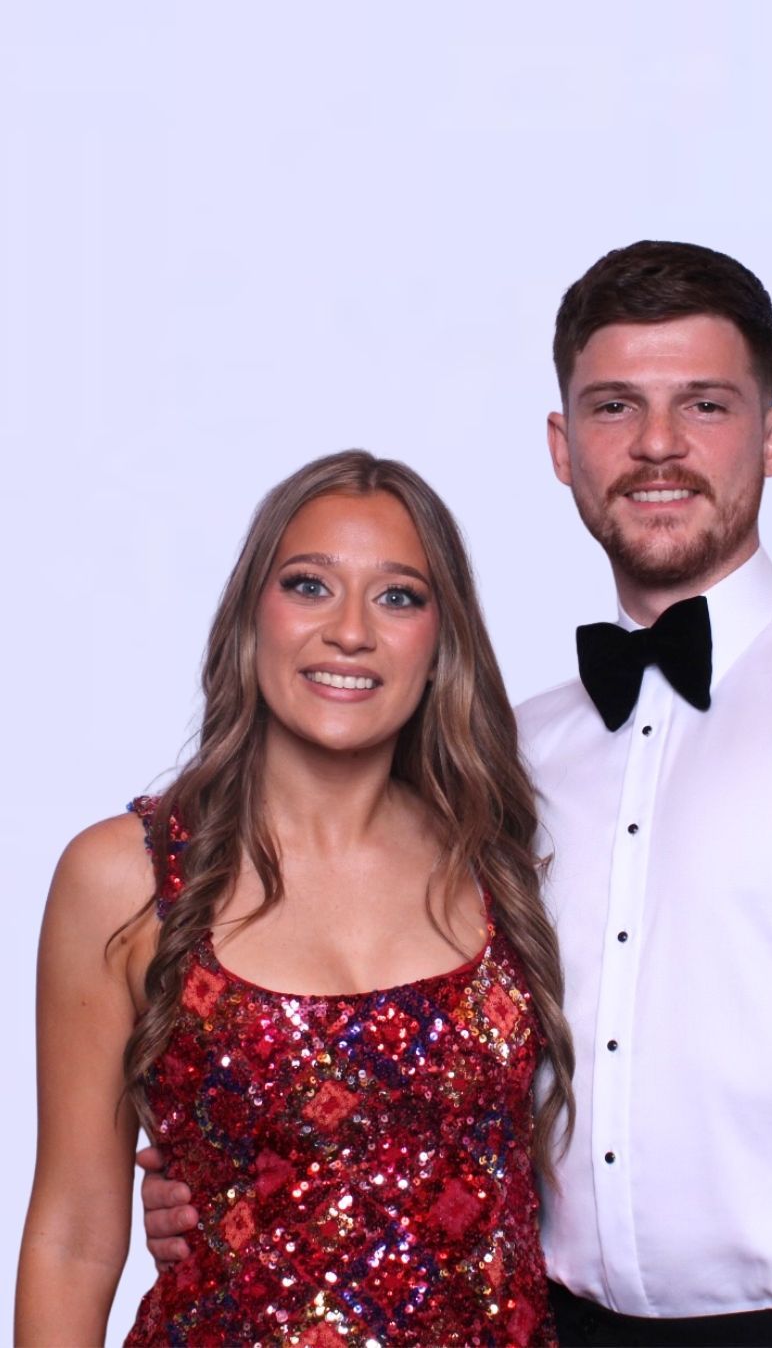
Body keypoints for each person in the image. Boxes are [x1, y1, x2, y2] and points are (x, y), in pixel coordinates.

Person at [142, 242, 772, 1347]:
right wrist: (233, 1171)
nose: (658, 443)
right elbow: (419, 1042)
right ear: (563, 445)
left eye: (705, 405)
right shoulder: (507, 758)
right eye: (616, 406)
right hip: (553, 1327)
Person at [16, 451, 573, 1347]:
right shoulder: (125, 876)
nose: (350, 631)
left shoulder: (503, 861)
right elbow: (74, 1234)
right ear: (251, 614)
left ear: (443, 644)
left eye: (398, 597)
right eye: (310, 585)